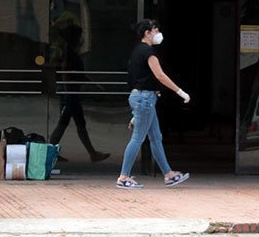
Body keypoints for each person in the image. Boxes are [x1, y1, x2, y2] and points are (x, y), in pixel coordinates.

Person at [116, 19, 191, 190]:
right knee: (137, 139)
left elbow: (140, 79)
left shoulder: (137, 51)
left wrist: (136, 113)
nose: (158, 34)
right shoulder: (148, 52)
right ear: (147, 33)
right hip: (145, 100)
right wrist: (180, 92)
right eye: (155, 30)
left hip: (143, 99)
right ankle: (123, 177)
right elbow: (160, 76)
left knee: (156, 138)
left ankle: (168, 174)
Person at [49, 23, 110, 163]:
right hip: (71, 96)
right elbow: (67, 74)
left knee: (71, 124)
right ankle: (91, 153)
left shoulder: (71, 53)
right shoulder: (69, 54)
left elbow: (78, 74)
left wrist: (93, 83)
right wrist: (69, 92)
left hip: (71, 95)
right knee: (71, 124)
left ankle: (91, 153)